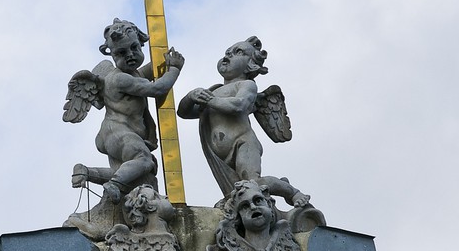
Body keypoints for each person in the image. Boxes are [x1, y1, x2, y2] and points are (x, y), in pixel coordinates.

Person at [176, 35, 311, 209]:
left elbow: (239, 105)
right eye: (227, 52)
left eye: (237, 52)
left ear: (251, 64)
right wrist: (190, 97)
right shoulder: (214, 91)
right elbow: (184, 113)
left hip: (243, 143)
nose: (228, 55)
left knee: (253, 183)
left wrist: (210, 100)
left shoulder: (246, 85)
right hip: (220, 155)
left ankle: (292, 192)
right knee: (239, 191)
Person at [65, 18, 184, 204]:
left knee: (132, 172)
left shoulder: (132, 73)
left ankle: (86, 172)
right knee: (144, 160)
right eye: (121, 53)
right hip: (118, 132)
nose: (130, 55)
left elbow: (148, 71)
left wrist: (162, 57)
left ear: (141, 44)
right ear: (112, 55)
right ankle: (114, 184)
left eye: (134, 48)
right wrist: (174, 69)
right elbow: (157, 89)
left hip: (116, 134)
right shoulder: (120, 79)